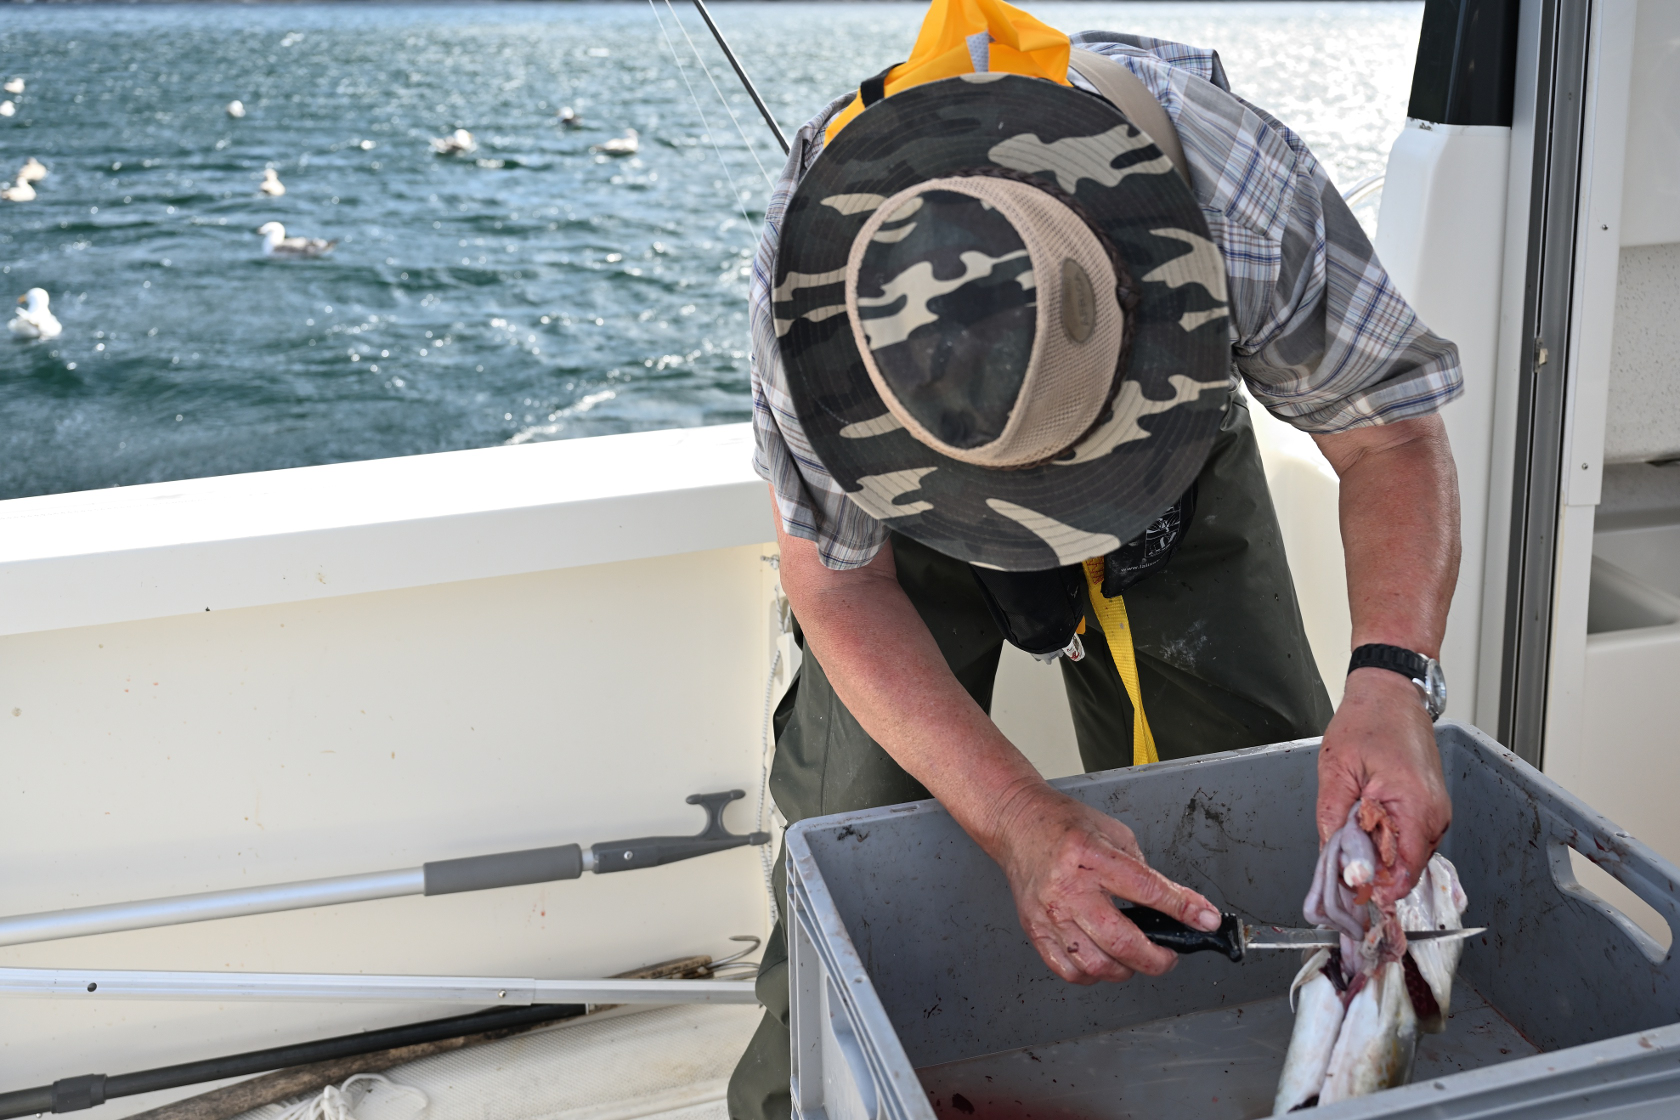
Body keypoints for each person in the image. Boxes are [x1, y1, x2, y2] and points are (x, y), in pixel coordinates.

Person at [728, 6, 1462, 1120]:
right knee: (850, 841)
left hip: (1166, 462)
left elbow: (1388, 433)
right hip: (906, 504)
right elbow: (836, 580)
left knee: (1257, 809)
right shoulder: (811, 301)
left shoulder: (1231, 191)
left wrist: (1393, 681)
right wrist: (1015, 815)